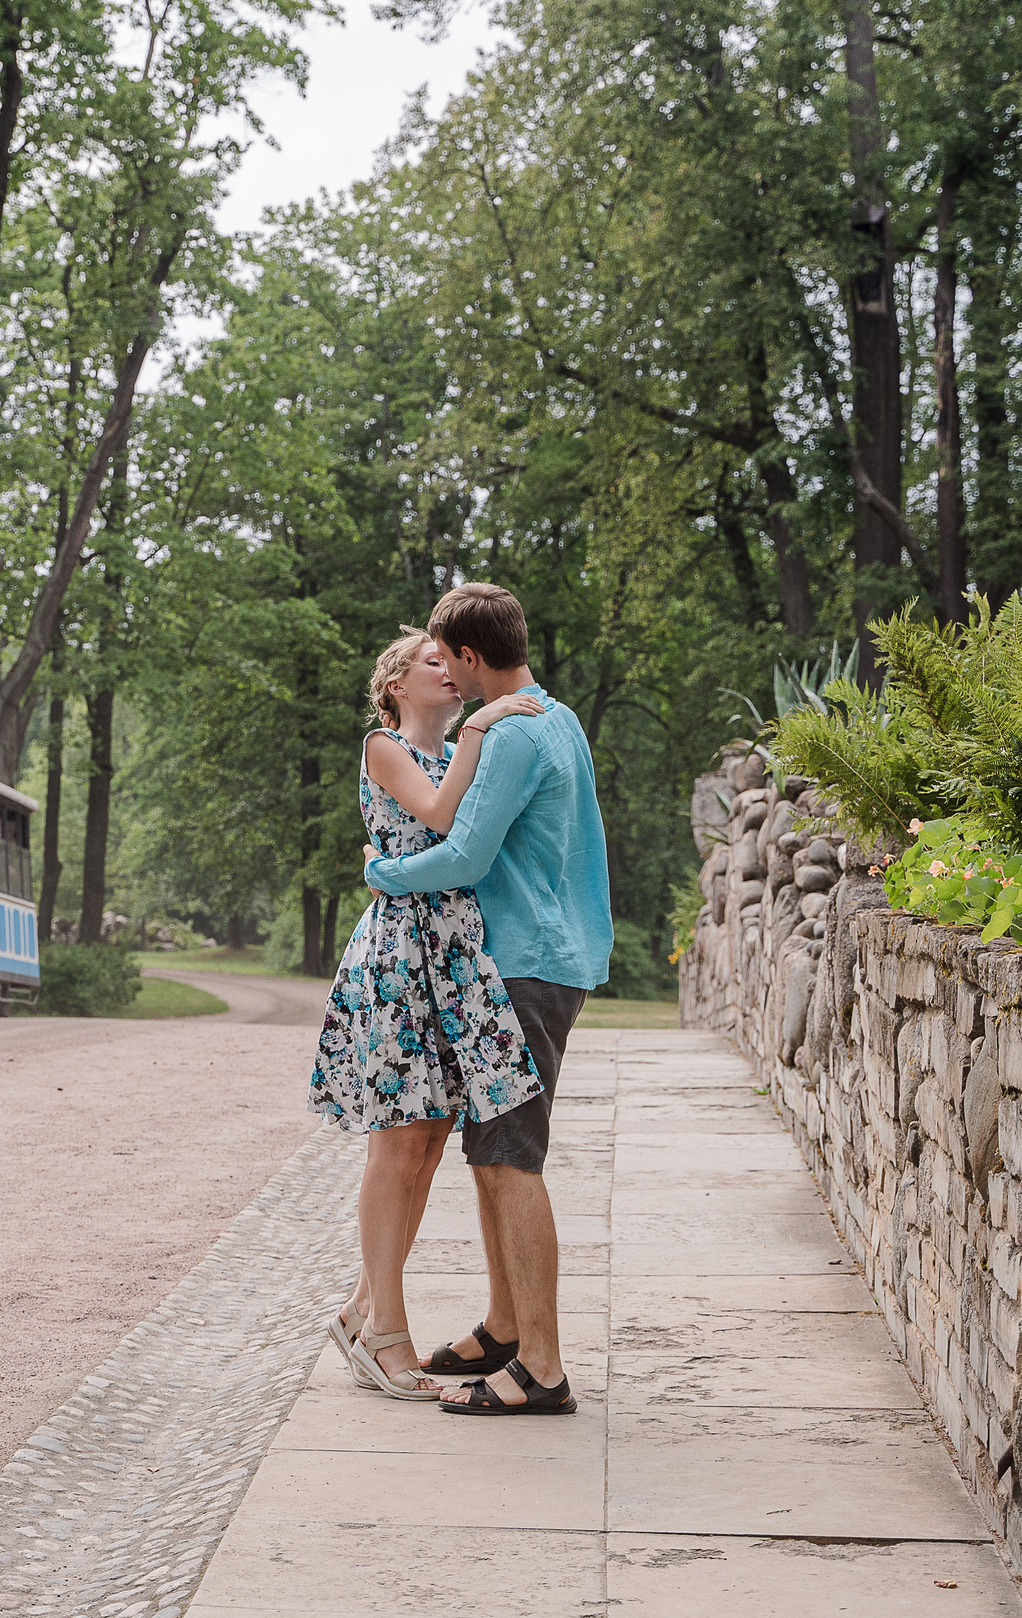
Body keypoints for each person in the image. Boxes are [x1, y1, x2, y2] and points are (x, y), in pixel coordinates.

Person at [363, 582, 612, 1418]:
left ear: (471, 656)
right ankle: (507, 1327)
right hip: (554, 955)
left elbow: (463, 854)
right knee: (491, 1152)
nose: (449, 676)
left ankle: (540, 1367)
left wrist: (382, 872)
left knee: (511, 1159)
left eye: (450, 659)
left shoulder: (508, 732)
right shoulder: (559, 715)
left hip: (527, 964)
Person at [317, 630, 547, 1401]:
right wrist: (484, 724)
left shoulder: (457, 756)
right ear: (396, 685)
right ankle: (387, 1332)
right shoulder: (384, 747)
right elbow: (446, 820)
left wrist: (476, 739)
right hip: (397, 957)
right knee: (396, 1144)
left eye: (452, 661)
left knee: (429, 1140)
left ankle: (359, 1308)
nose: (449, 671)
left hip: (452, 960)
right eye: (431, 661)